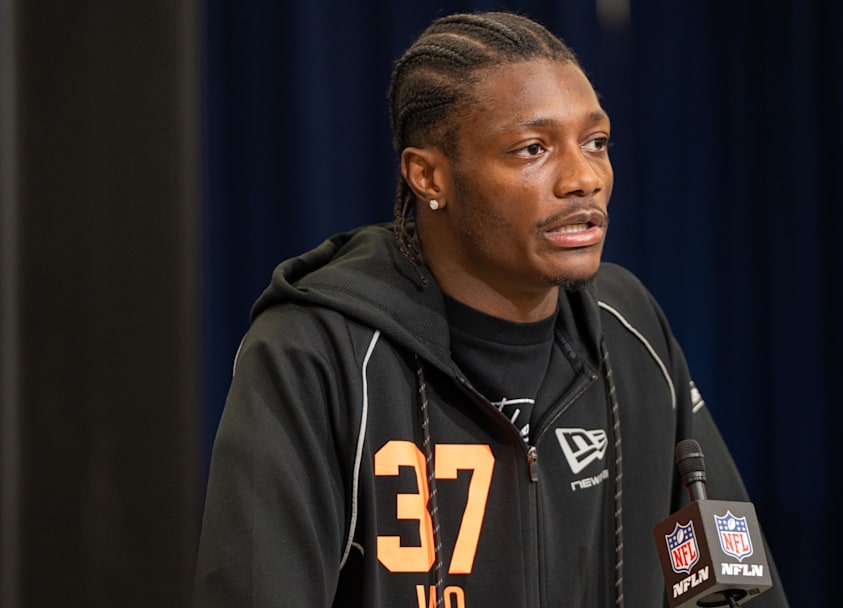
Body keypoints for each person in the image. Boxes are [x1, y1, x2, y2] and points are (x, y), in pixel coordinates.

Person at [194, 10, 788, 608]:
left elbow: (736, 588)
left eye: (596, 143)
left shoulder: (630, 328)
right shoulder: (315, 352)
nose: (584, 178)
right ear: (429, 176)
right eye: (532, 149)